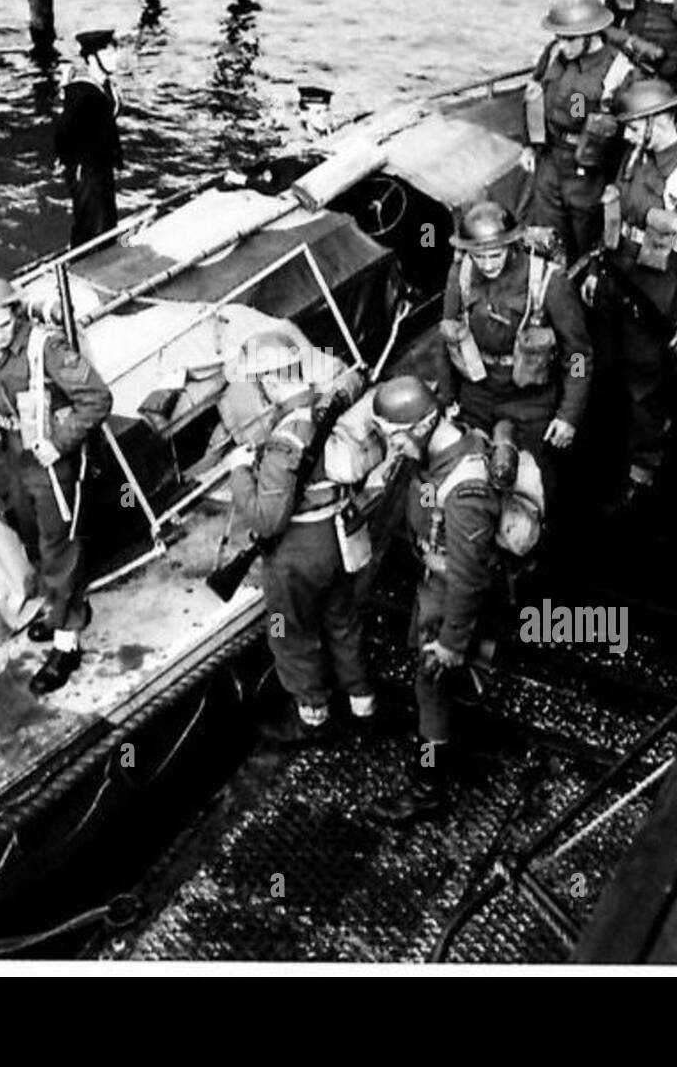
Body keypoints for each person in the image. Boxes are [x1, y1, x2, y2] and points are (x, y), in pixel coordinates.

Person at [0, 275, 113, 695]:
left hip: (51, 465)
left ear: (16, 314)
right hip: (17, 460)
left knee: (60, 551)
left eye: (5, 324)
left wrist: (59, 444)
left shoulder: (47, 348)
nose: (0, 334)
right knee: (33, 538)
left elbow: (97, 398)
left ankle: (67, 643)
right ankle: (64, 606)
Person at [222, 329, 375, 745]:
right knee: (343, 622)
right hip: (341, 536)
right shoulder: (327, 408)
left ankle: (312, 718)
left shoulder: (285, 438)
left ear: (269, 381)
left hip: (299, 552)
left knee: (290, 632)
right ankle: (364, 706)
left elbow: (267, 521)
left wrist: (238, 471)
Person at [365, 377, 503, 826]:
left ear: (423, 426)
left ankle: (427, 789)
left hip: (447, 598)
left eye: (397, 439)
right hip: (432, 585)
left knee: (431, 688)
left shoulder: (465, 493)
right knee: (434, 684)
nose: (394, 449)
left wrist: (451, 644)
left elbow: (469, 579)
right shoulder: (439, 453)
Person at [584, 79, 677, 509]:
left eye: (632, 126)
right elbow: (612, 214)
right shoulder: (633, 157)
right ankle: (606, 453)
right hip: (617, 280)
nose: (626, 135)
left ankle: (642, 472)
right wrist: (595, 269)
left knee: (644, 386)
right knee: (608, 368)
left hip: (656, 298)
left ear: (656, 121)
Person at [436, 202, 591, 495]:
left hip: (531, 400)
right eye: (478, 256)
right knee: (474, 477)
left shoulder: (549, 281)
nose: (487, 264)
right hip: (477, 394)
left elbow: (579, 355)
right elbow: (447, 335)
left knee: (531, 485)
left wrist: (569, 414)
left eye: (495, 254)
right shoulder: (461, 274)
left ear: (512, 244)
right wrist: (448, 397)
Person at [520, 0, 637, 262]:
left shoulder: (618, 71)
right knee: (546, 235)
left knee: (584, 243)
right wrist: (529, 144)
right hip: (551, 159)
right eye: (558, 37)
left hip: (587, 171)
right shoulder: (553, 54)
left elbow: (628, 137)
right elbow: (533, 92)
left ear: (592, 35)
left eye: (569, 39)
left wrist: (617, 184)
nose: (562, 45)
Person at [54, 29, 124, 247]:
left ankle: (104, 257)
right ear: (93, 58)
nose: (115, 58)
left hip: (102, 167)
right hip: (86, 170)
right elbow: (62, 134)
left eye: (115, 52)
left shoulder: (108, 89)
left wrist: (116, 156)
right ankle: (82, 265)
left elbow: (109, 125)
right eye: (109, 53)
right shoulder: (82, 93)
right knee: (92, 223)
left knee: (106, 220)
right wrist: (73, 164)